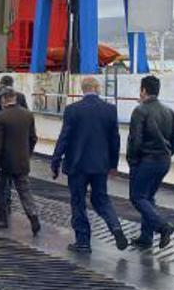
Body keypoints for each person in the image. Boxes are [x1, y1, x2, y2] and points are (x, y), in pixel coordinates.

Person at [51, 76, 129, 253]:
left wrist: (55, 161)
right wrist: (113, 165)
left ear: (83, 89)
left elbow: (64, 137)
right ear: (96, 87)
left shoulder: (72, 109)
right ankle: (115, 227)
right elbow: (115, 140)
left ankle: (83, 242)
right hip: (100, 165)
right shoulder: (110, 110)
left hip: (77, 166)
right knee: (101, 199)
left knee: (78, 202)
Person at [125, 75, 174, 249]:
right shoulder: (169, 111)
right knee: (148, 198)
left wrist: (132, 161)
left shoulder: (140, 111)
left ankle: (163, 227)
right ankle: (146, 237)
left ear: (143, 90)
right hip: (164, 161)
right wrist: (167, 153)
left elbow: (136, 140)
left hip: (146, 161)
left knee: (137, 197)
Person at [0, 89, 41, 235]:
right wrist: (27, 154)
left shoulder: (1, 116)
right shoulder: (27, 114)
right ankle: (33, 217)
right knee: (24, 191)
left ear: (4, 99)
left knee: (0, 190)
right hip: (22, 161)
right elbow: (33, 138)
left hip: (4, 163)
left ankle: (2, 219)